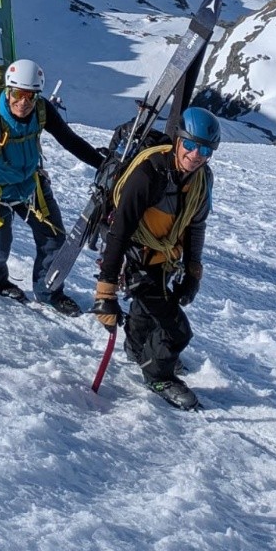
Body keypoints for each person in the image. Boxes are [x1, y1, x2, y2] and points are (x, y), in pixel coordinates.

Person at [0, 58, 104, 315]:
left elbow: (70, 141)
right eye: (18, 94)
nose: (23, 102)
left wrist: (103, 165)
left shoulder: (41, 111)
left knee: (55, 238)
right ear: (8, 90)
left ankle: (48, 291)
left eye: (30, 96)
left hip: (29, 185)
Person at [92, 105, 221, 411]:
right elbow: (120, 230)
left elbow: (195, 226)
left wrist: (192, 272)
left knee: (149, 307)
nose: (195, 155)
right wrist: (105, 290)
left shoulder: (201, 181)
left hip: (163, 257)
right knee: (177, 330)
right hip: (134, 256)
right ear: (178, 139)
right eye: (190, 145)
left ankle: (139, 349)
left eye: (204, 150)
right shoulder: (149, 172)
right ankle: (158, 375)